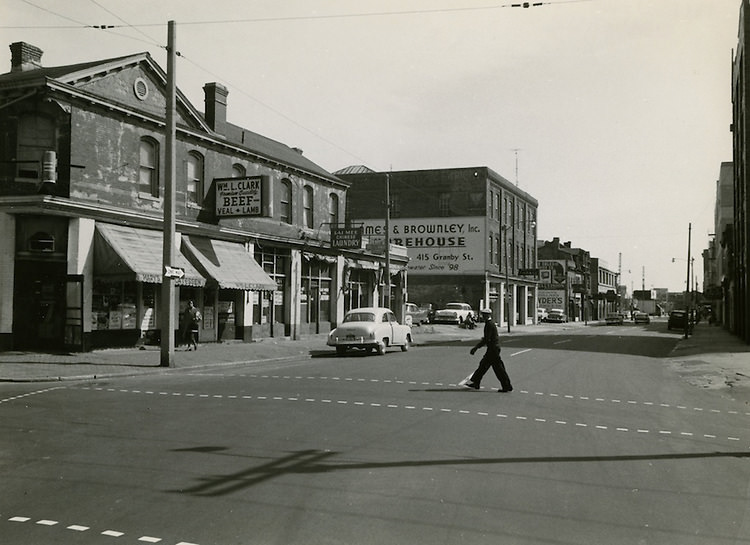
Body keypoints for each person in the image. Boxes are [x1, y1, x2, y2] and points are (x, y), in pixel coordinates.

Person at [463, 307, 513, 392]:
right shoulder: (489, 323)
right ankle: (476, 382)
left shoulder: (489, 324)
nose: (482, 316)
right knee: (483, 365)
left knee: (498, 369)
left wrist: (476, 348)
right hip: (493, 348)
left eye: (484, 315)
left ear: (487, 315)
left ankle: (507, 386)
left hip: (493, 349)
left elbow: (486, 339)